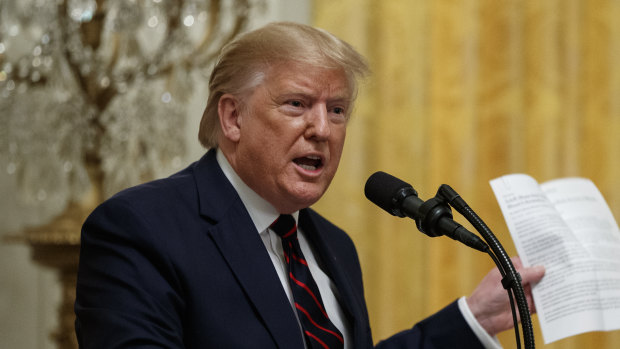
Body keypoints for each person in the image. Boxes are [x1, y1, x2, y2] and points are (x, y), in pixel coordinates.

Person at [74, 22, 545, 348]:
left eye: (337, 110)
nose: (322, 128)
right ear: (233, 116)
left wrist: (474, 318)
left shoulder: (333, 245)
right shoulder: (142, 229)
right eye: (297, 104)